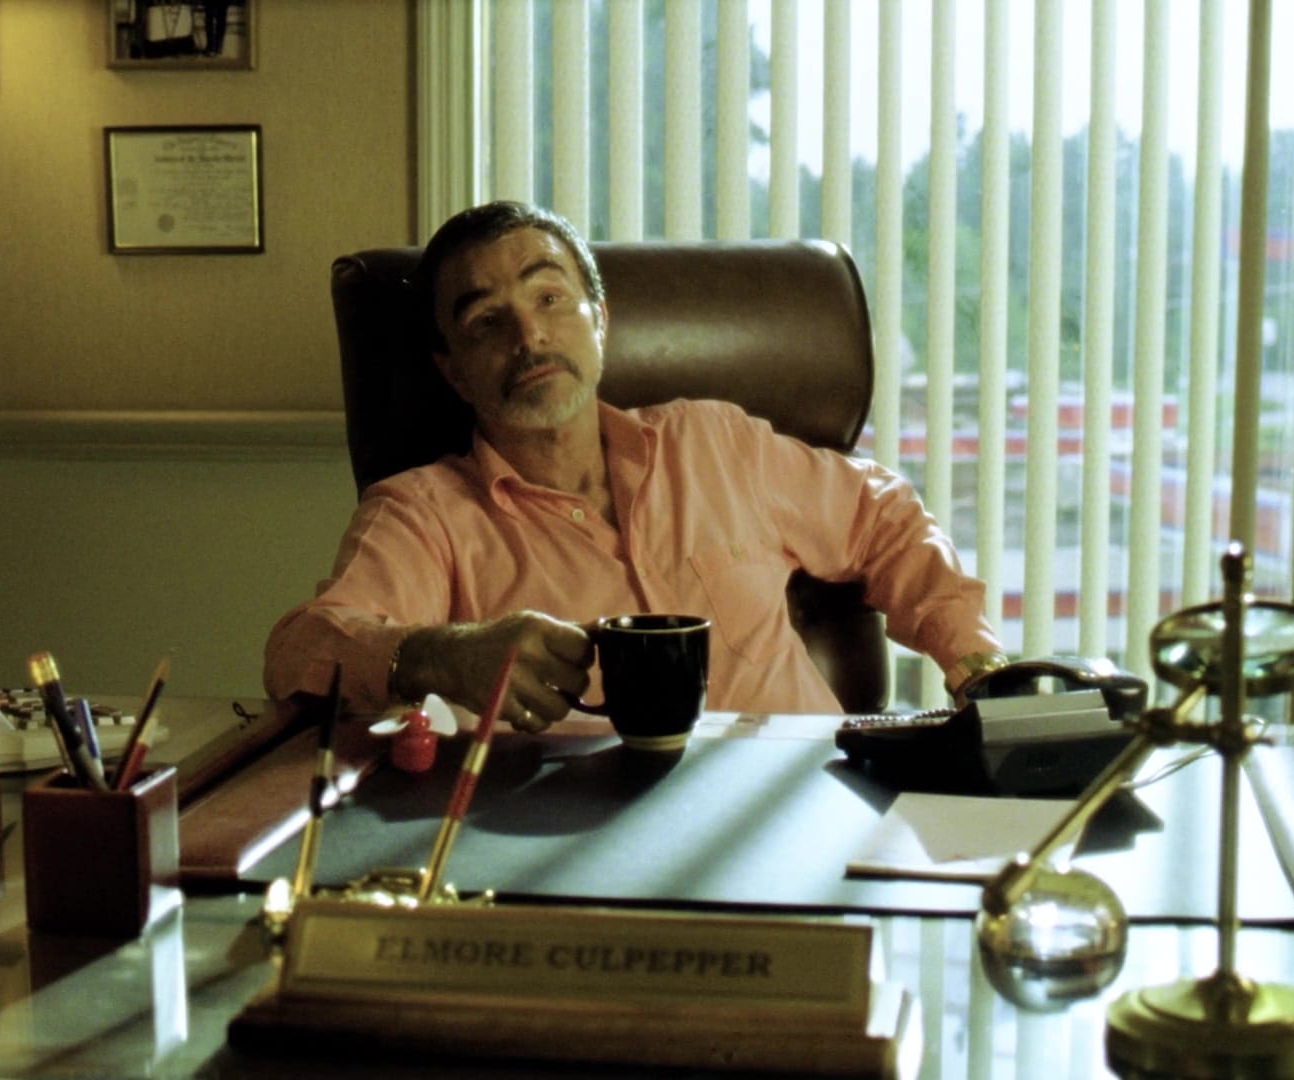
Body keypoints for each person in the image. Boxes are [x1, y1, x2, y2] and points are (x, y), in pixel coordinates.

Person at [263, 201, 1008, 731]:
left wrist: (975, 667)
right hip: (589, 841)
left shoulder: (715, 443)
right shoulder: (423, 513)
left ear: (601, 322)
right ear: (452, 370)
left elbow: (884, 516)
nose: (529, 336)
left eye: (550, 298)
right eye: (486, 320)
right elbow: (298, 652)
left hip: (803, 805)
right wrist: (443, 657)